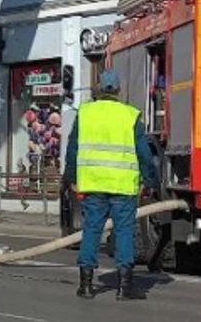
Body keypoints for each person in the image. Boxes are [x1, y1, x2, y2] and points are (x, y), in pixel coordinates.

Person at [65, 69, 156, 300]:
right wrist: (151, 181)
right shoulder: (130, 115)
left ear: (99, 89)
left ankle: (86, 285)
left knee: (92, 230)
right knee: (124, 232)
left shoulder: (85, 113)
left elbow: (72, 148)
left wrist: (71, 179)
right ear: (118, 90)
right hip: (123, 186)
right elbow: (144, 154)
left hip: (93, 184)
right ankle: (125, 287)